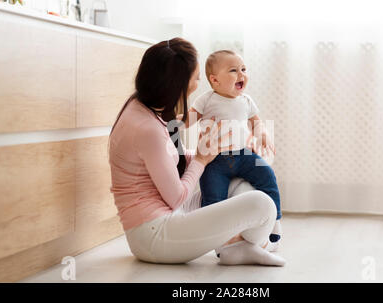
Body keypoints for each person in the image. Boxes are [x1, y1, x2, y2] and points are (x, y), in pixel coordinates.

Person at [108, 38, 286, 266]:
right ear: (176, 84)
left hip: (167, 215)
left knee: (242, 182)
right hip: (155, 235)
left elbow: (166, 162)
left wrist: (221, 149)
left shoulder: (143, 107)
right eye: (195, 79)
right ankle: (249, 245)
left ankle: (236, 249)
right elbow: (176, 198)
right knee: (261, 204)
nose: (198, 84)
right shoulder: (148, 129)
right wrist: (201, 159)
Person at [182, 50, 282, 253]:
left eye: (244, 69)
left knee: (268, 176)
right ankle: (217, 242)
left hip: (243, 154)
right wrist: (174, 120)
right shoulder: (206, 100)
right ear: (215, 80)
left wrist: (261, 134)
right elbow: (188, 121)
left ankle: (275, 221)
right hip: (215, 160)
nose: (241, 74)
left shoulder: (246, 100)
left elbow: (256, 123)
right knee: (212, 198)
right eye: (234, 70)